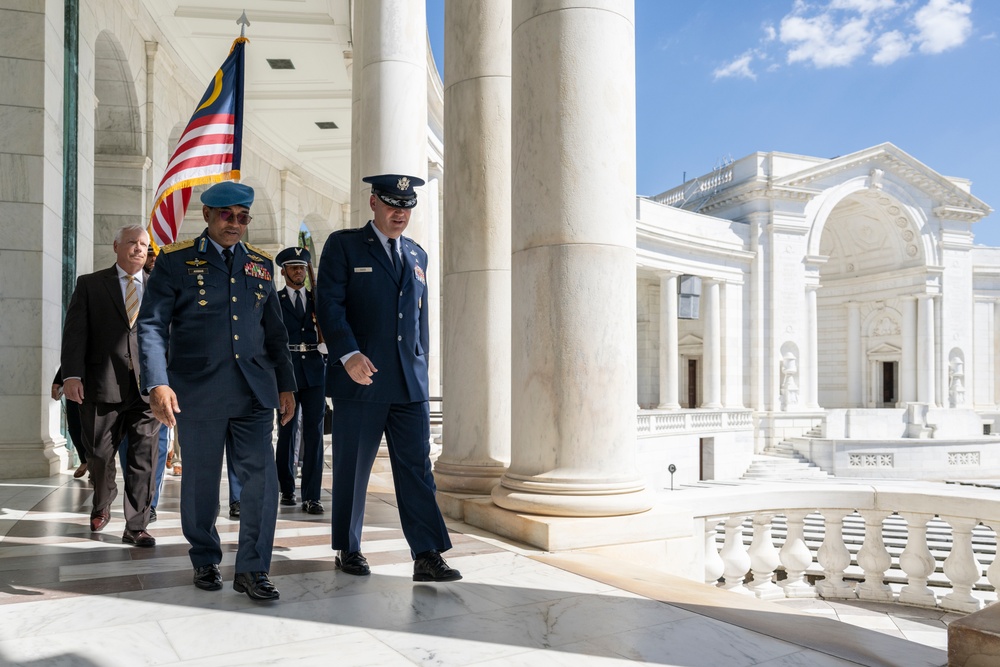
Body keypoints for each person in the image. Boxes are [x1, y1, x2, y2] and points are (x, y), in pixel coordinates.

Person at [138, 181, 296, 602]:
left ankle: (253, 568)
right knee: (201, 484)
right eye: (227, 215)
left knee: (262, 482)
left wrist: (286, 386)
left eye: (243, 217)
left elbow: (275, 335)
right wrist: (157, 382)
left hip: (254, 393)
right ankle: (205, 556)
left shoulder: (261, 265)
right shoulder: (176, 262)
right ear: (207, 214)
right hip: (198, 390)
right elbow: (151, 325)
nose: (235, 224)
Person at [316, 173, 460, 582]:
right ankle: (348, 547)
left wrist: (422, 369)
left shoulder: (417, 255)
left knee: (416, 468)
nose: (401, 214)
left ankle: (427, 553)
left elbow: (420, 322)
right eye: (393, 205)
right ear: (373, 203)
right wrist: (347, 354)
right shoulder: (343, 246)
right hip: (360, 377)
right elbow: (329, 305)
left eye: (407, 207)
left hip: (407, 383)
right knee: (353, 467)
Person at [60, 224, 160, 547]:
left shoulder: (159, 288)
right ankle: (103, 499)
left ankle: (137, 525)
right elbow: (75, 333)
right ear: (116, 245)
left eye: (144, 244)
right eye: (132, 242)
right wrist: (71, 375)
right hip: (102, 385)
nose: (139, 248)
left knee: (145, 457)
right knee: (100, 455)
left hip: (147, 388)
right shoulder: (90, 285)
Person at [274, 246, 327, 514]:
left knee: (314, 434)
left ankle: (312, 495)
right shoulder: (276, 299)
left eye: (302, 268)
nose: (299, 272)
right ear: (283, 272)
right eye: (294, 268)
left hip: (315, 370)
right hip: (288, 372)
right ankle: (286, 487)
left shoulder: (316, 298)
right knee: (287, 430)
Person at [51, 367, 88, 479]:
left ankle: (96, 464)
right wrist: (58, 381)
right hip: (74, 385)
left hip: (98, 383)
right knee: (74, 427)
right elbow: (71, 354)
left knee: (97, 428)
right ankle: (84, 460)